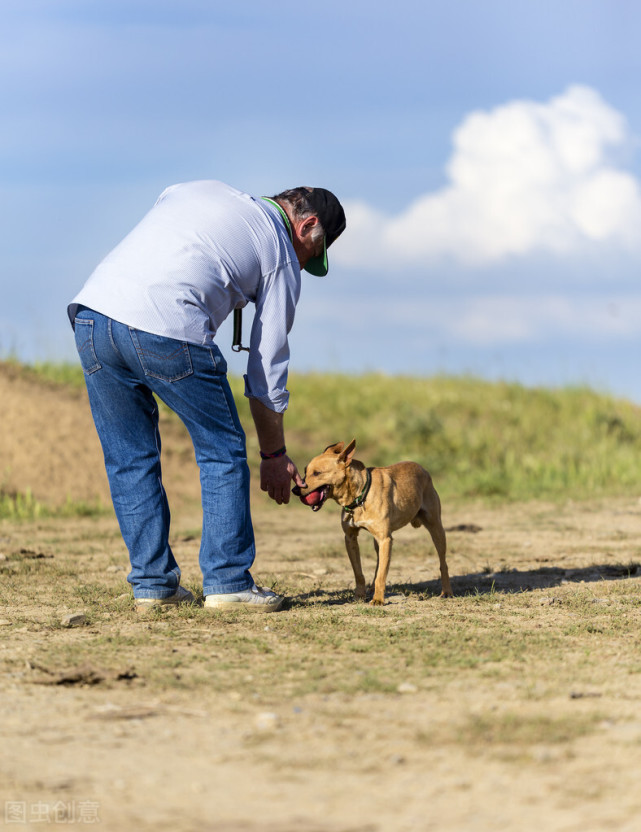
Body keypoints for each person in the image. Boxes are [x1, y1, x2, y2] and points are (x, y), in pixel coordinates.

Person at [68, 180, 346, 612]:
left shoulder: (197, 190)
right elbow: (267, 369)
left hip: (93, 316)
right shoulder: (280, 253)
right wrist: (274, 455)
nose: (303, 262)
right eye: (311, 253)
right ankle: (229, 581)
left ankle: (154, 587)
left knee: (129, 458)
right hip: (165, 323)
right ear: (307, 226)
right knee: (222, 449)